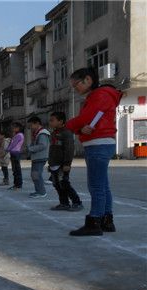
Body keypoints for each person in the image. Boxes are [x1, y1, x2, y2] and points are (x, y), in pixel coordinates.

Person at [66, 67, 122, 236]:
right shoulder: (100, 95)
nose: (75, 89)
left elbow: (85, 118)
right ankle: (106, 220)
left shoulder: (100, 95)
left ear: (88, 80)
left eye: (76, 85)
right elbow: (86, 123)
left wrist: (68, 125)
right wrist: (80, 130)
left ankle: (95, 221)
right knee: (103, 185)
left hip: (98, 143)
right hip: (100, 142)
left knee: (96, 185)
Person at [48, 112, 83, 212]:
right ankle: (64, 203)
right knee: (57, 185)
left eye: (52, 120)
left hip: (62, 165)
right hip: (54, 164)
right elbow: (52, 150)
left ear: (61, 121)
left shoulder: (67, 133)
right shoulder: (54, 133)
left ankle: (77, 202)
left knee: (64, 184)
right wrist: (50, 164)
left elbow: (69, 149)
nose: (50, 122)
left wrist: (67, 163)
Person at [27, 116, 51, 198]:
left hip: (40, 157)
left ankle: (41, 192)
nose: (30, 128)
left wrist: (30, 149)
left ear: (37, 123)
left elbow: (42, 145)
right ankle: (39, 191)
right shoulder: (38, 133)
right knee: (35, 174)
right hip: (37, 157)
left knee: (36, 174)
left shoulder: (42, 133)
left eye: (31, 125)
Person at [7, 122, 25, 190]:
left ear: (19, 128)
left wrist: (8, 149)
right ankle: (16, 184)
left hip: (15, 153)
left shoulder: (19, 135)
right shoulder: (17, 135)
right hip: (14, 153)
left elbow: (13, 144)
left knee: (16, 170)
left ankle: (18, 185)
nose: (13, 128)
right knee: (15, 170)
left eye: (15, 127)